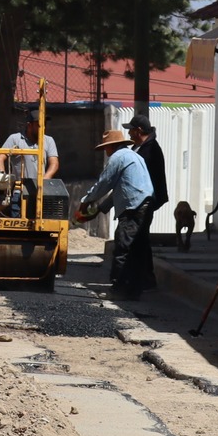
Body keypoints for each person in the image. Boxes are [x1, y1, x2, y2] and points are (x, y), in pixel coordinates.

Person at [76, 128, 153, 300]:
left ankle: (120, 289)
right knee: (137, 249)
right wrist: (98, 210)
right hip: (144, 206)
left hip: (133, 209)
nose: (106, 152)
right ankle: (134, 290)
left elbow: (105, 182)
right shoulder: (133, 156)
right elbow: (119, 190)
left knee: (123, 248)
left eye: (106, 148)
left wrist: (86, 200)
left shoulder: (118, 158)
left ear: (112, 146)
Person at [127, 116, 168, 291]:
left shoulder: (149, 150)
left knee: (139, 239)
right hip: (147, 199)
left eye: (131, 129)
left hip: (146, 200)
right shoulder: (143, 148)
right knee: (141, 239)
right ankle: (146, 277)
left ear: (138, 131)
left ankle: (143, 278)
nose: (128, 133)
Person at [0, 108, 58, 213]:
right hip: (18, 191)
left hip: (40, 191)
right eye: (39, 125)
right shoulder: (15, 139)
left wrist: (45, 180)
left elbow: (54, 163)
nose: (43, 128)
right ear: (29, 125)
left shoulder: (48, 140)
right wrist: (3, 178)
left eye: (44, 124)